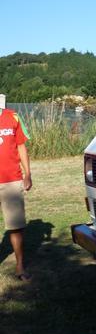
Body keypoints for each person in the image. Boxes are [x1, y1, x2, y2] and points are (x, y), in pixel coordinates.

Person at [0, 106, 32, 281]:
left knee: (16, 226)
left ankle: (20, 266)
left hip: (12, 180)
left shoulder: (12, 116)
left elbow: (21, 146)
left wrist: (28, 174)